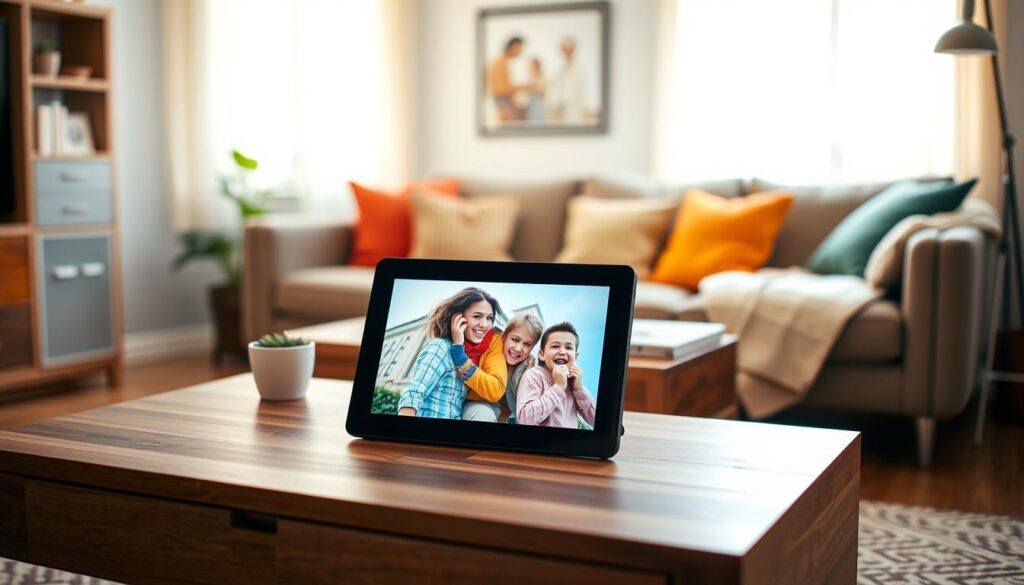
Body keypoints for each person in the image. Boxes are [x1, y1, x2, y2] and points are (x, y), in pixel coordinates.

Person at [396, 287, 505, 419]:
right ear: (457, 317)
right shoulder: (440, 347)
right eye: (477, 316)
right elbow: (415, 390)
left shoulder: (470, 356)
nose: (484, 324)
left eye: (489, 318)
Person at [462, 313, 544, 423]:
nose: (519, 348)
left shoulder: (526, 369)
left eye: (527, 344)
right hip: (475, 404)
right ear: (504, 336)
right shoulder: (490, 346)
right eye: (515, 339)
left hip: (501, 415)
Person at [515, 322, 597, 428]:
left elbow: (596, 421)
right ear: (541, 354)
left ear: (576, 357)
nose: (562, 351)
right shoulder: (534, 375)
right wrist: (558, 387)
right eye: (555, 346)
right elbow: (524, 419)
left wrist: (579, 390)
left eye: (568, 348)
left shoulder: (575, 383)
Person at [486, 36, 532, 121]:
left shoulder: (505, 62)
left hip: (507, 101)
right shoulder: (499, 63)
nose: (521, 51)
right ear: (513, 47)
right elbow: (499, 88)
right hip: (503, 102)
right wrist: (521, 87)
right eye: (520, 48)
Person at [547, 37, 588, 123]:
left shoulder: (580, 70)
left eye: (570, 49)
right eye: (565, 49)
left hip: (574, 113)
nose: (567, 51)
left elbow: (580, 93)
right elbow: (552, 91)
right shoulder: (556, 69)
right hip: (557, 113)